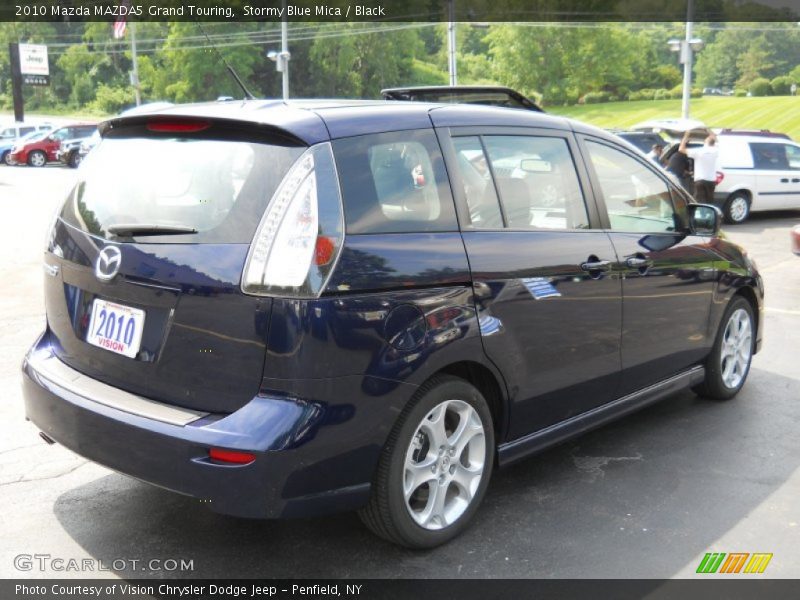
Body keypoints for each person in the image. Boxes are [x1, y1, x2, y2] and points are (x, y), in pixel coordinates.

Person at [679, 130, 719, 203]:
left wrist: (686, 135)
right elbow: (715, 139)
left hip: (700, 181)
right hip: (711, 181)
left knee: (699, 201)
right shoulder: (715, 150)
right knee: (709, 201)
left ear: (705, 142)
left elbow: (681, 149)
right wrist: (707, 130)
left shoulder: (698, 151)